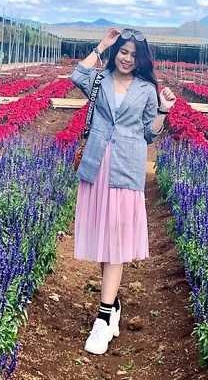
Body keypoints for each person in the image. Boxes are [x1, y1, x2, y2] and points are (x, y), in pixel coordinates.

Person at [70, 27, 176, 355]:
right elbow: (77, 74)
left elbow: (150, 134)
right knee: (104, 239)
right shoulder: (99, 79)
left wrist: (163, 110)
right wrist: (101, 46)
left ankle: (103, 319)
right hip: (96, 165)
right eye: (123, 52)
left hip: (126, 168)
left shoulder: (145, 89)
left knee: (114, 239)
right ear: (116, 53)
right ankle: (113, 304)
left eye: (133, 54)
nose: (127, 59)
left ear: (141, 59)